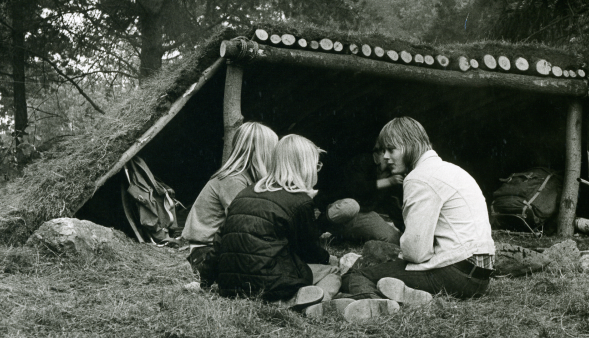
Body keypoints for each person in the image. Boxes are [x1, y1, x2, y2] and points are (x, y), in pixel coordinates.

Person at [339, 117, 495, 320]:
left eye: (391, 150)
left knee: (357, 276)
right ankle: (408, 294)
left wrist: (397, 258)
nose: (385, 157)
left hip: (456, 276)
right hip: (480, 278)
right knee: (388, 261)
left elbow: (416, 252)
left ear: (408, 145)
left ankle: (383, 305)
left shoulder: (419, 178)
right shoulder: (453, 170)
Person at [201, 134, 338, 306]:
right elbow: (307, 250)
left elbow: (220, 241)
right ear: (306, 166)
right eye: (316, 165)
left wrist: (205, 281)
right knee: (333, 272)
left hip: (230, 286)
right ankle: (307, 302)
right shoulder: (300, 201)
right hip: (270, 285)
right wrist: (327, 259)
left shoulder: (245, 193)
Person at [182, 122, 278, 286]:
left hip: (218, 248)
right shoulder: (233, 180)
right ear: (261, 152)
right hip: (206, 254)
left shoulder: (244, 178)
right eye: (273, 151)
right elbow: (243, 227)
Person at [314, 147, 404, 245]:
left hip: (362, 215)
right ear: (380, 153)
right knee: (350, 206)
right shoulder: (363, 161)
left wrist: (404, 229)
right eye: (387, 152)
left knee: (393, 238)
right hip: (339, 208)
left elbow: (391, 205)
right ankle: (315, 230)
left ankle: (343, 237)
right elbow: (357, 188)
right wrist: (388, 181)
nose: (388, 158)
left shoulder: (390, 173)